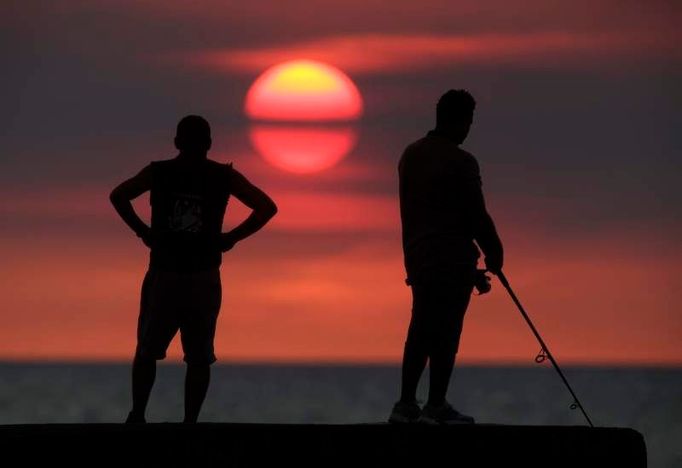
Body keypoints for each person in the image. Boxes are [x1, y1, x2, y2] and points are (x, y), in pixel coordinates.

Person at [110, 115, 277, 423]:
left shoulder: (159, 173)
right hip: (201, 276)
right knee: (198, 356)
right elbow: (266, 207)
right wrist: (231, 239)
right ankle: (189, 422)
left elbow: (119, 195)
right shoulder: (222, 176)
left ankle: (138, 415)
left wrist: (143, 231)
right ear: (209, 144)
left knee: (148, 350)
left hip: (167, 273)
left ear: (177, 142)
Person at [389, 90, 503, 424]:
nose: (469, 129)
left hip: (419, 258)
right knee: (447, 333)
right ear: (462, 119)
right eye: (469, 121)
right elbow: (475, 215)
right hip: (451, 261)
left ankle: (406, 404)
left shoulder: (410, 155)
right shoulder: (461, 161)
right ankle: (435, 405)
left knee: (420, 328)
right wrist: (495, 252)